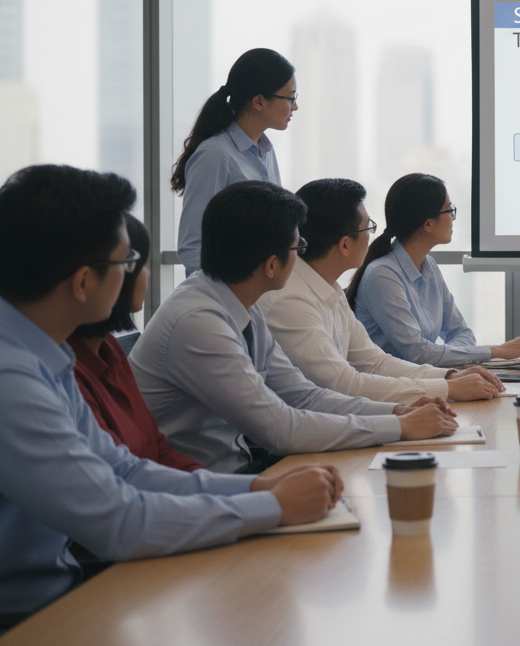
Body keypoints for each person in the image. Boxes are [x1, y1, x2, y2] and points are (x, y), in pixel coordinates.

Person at [0, 165, 342, 632]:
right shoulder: (11, 376)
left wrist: (259, 489)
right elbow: (118, 519)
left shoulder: (45, 352)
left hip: (62, 591)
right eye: (125, 264)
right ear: (82, 283)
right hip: (28, 617)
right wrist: (275, 507)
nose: (133, 277)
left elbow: (125, 469)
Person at [133, 181, 459, 473]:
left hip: (236, 470)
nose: (302, 256)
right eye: (297, 248)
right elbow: (281, 429)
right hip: (204, 485)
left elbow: (302, 395)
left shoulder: (240, 302)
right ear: (272, 265)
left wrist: (399, 411)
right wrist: (399, 426)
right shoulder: (199, 323)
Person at [259, 178, 505, 403]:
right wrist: (447, 388)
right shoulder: (291, 301)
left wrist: (449, 377)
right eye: (368, 228)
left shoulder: (328, 287)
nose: (372, 237)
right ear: (345, 245)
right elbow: (344, 384)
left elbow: (375, 363)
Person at [350, 173, 520, 366]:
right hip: (391, 390)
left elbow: (461, 332)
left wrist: (456, 362)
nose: (453, 218)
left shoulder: (429, 265)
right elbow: (417, 353)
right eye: (449, 210)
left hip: (426, 382)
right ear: (428, 224)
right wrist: (497, 351)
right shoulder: (383, 275)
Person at [69, 214, 202, 471]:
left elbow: (156, 447)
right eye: (134, 264)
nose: (147, 274)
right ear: (84, 279)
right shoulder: (66, 371)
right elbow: (120, 482)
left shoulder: (108, 347)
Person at [172, 48, 296, 277]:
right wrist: (231, 298)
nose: (295, 107)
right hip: (225, 300)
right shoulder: (214, 156)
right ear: (259, 101)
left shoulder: (266, 151)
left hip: (261, 296)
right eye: (291, 97)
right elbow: (193, 247)